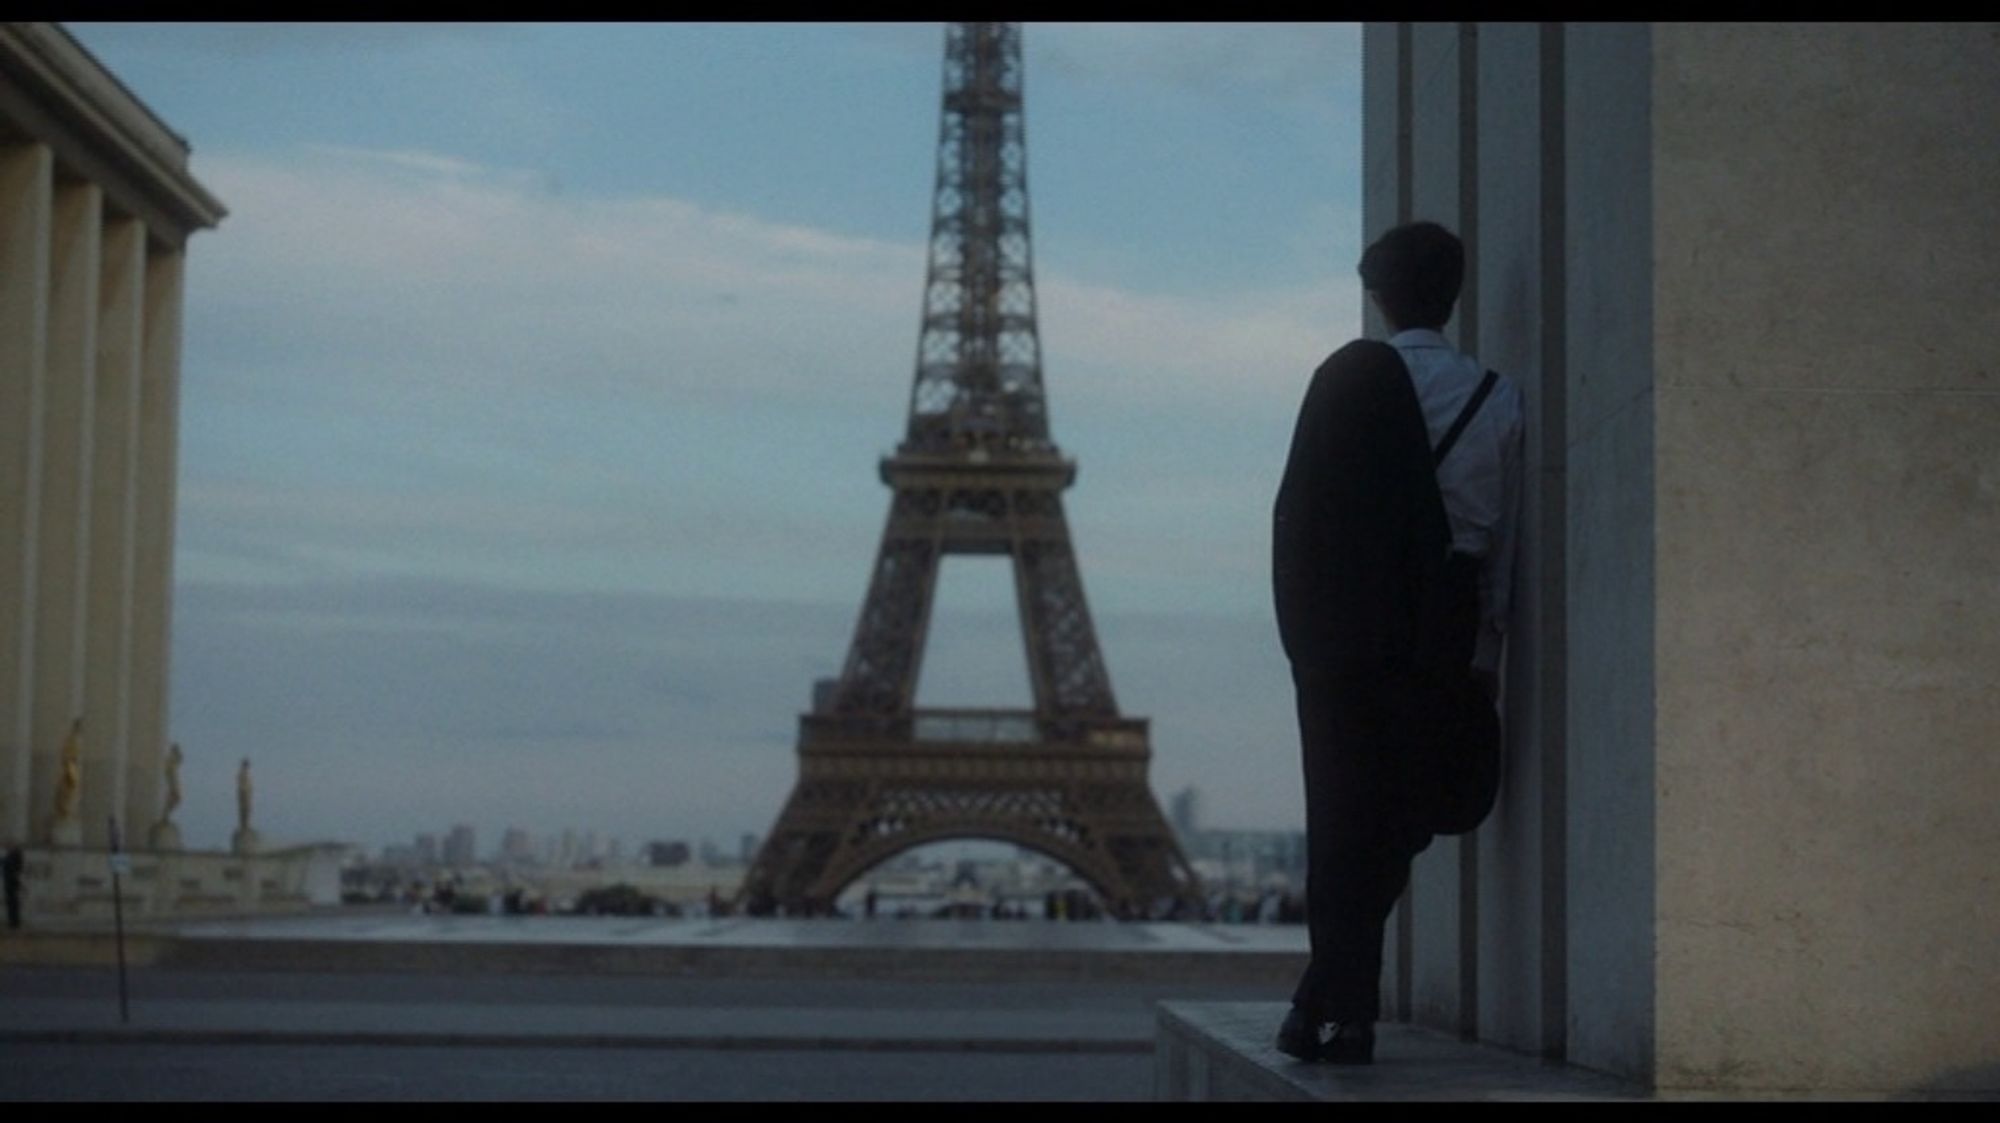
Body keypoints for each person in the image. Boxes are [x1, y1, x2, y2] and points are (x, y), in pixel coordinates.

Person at [1271, 220, 1523, 1065]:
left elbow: (1301, 517)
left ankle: (1339, 1007)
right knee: (1397, 819)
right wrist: (1486, 653)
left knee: (1341, 816)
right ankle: (1332, 1004)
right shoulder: (1498, 398)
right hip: (1442, 627)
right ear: (1453, 295)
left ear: (1377, 294)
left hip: (1348, 627)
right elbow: (1500, 540)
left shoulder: (1344, 383)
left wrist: (1307, 641)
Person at [2, 842, 23, 930]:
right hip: (12, 884)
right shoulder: (13, 860)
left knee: (12, 904)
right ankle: (14, 922)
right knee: (13, 904)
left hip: (10, 884)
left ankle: (13, 923)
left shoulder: (10, 859)